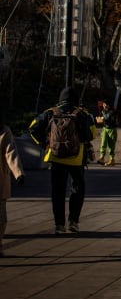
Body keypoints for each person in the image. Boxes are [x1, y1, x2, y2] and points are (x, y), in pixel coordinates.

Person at [29, 86, 94, 234]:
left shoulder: (50, 112)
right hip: (76, 159)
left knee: (57, 191)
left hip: (56, 157)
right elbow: (91, 135)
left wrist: (45, 143)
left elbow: (32, 128)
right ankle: (73, 222)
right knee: (77, 189)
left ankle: (59, 225)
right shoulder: (83, 114)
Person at [1, 117, 25, 257]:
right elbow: (11, 153)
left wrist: (18, 172)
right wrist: (18, 173)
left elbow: (10, 153)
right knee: (1, 217)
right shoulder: (4, 130)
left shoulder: (4, 131)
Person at [97, 102, 118, 166]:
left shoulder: (112, 111)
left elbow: (107, 117)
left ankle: (112, 160)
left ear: (109, 105)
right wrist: (100, 119)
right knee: (103, 143)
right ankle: (101, 157)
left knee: (111, 145)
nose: (104, 106)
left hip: (112, 129)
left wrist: (103, 113)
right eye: (104, 104)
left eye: (105, 104)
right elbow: (103, 118)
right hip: (105, 129)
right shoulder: (103, 111)